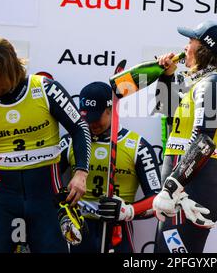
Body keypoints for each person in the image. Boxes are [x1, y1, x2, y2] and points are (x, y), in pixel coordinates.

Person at [0, 34, 91, 253]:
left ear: (11, 69)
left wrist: (81, 172)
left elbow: (80, 128)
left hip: (46, 195)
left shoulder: (45, 89)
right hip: (5, 197)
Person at [152, 20, 217, 253]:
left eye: (190, 41)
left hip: (192, 191)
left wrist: (172, 186)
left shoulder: (215, 83)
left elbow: (203, 142)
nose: (185, 47)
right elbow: (170, 119)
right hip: (183, 188)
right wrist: (167, 77)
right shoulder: (201, 82)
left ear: (204, 49)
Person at [59, 81, 162, 253]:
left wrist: (128, 211)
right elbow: (47, 180)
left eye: (96, 118)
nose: (91, 124)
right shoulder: (71, 141)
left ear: (111, 111)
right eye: (86, 118)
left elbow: (158, 200)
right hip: (77, 228)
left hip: (116, 231)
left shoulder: (138, 147)